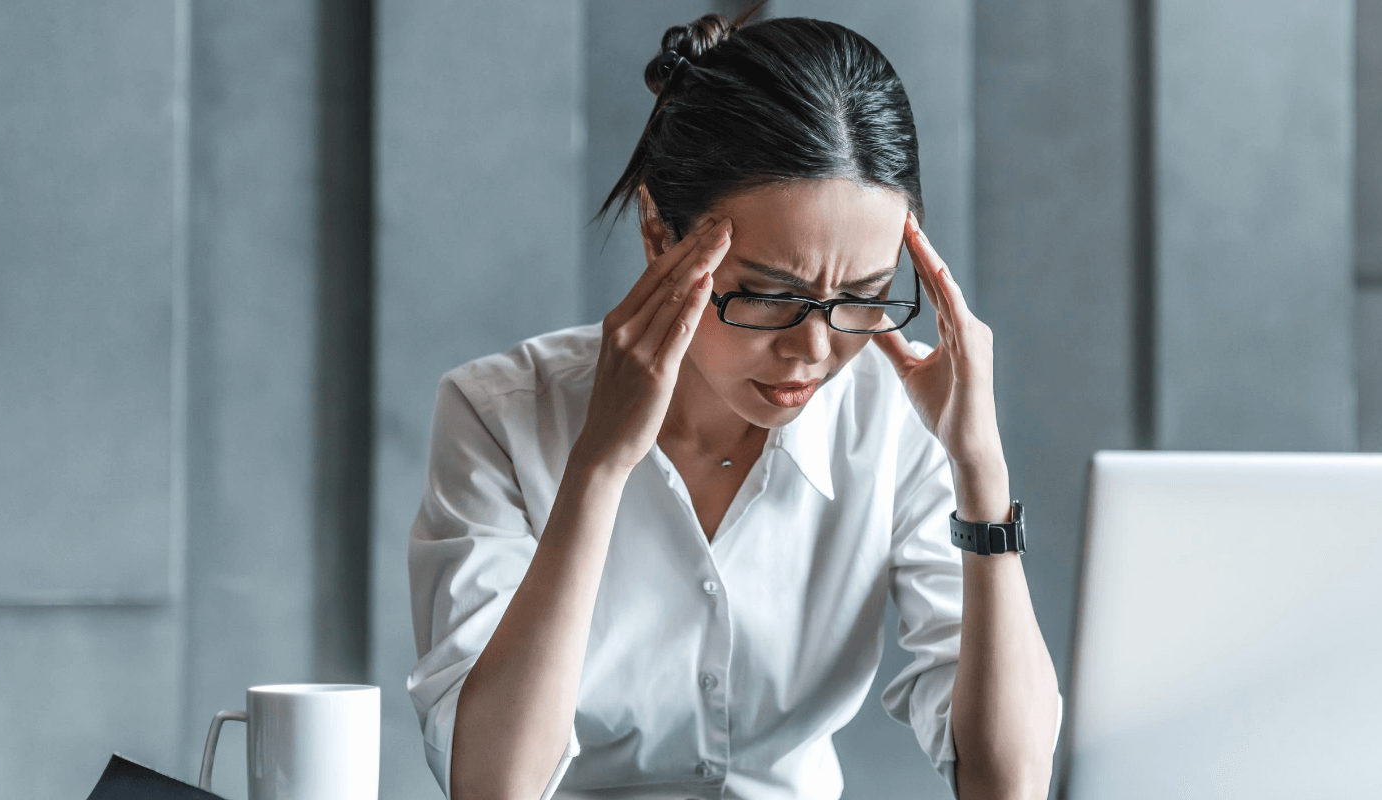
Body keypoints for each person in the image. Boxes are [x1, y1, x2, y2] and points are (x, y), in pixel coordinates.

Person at [406, 9, 1061, 800]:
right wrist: (601, 465)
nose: (814, 351)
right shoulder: (498, 416)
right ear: (659, 232)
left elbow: (1010, 785)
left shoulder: (897, 420)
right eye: (768, 296)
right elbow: (491, 786)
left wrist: (979, 467)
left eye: (863, 296)